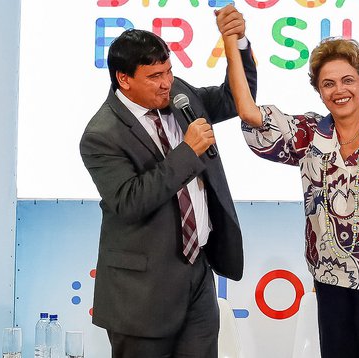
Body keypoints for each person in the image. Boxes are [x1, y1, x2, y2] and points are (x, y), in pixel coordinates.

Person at [219, 19, 359, 358]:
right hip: (332, 281)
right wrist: (234, 43)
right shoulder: (310, 134)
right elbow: (249, 113)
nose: (340, 90)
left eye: (348, 80)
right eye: (329, 84)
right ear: (319, 91)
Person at [79, 6, 256, 357]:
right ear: (124, 79)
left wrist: (237, 43)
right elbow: (130, 202)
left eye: (169, 71)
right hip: (141, 293)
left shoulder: (179, 96)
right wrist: (187, 151)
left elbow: (235, 98)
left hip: (198, 275)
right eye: (155, 76)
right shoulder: (101, 135)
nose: (166, 82)